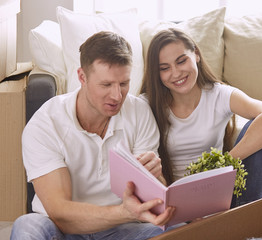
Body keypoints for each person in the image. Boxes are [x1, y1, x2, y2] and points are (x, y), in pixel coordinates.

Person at [11, 31, 178, 240]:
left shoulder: (139, 112)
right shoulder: (46, 123)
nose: (117, 96)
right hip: (62, 229)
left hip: (121, 228)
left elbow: (151, 198)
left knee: (180, 230)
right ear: (82, 77)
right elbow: (60, 212)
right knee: (26, 226)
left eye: (124, 84)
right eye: (106, 85)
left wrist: (155, 177)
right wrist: (123, 212)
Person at [140, 28, 262, 208]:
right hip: (176, 204)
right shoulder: (147, 105)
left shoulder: (218, 94)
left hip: (219, 196)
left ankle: (248, 218)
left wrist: (223, 166)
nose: (176, 73)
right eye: (165, 68)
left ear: (196, 55)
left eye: (181, 61)